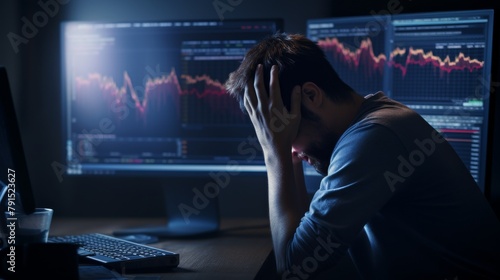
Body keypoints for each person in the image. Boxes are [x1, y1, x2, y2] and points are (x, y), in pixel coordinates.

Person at [225, 33, 500, 279]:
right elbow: (300, 236)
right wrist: (285, 151)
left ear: (311, 95)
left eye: (286, 133)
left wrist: (274, 152)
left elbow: (295, 266)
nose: (291, 148)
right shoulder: (373, 120)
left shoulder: (375, 136)